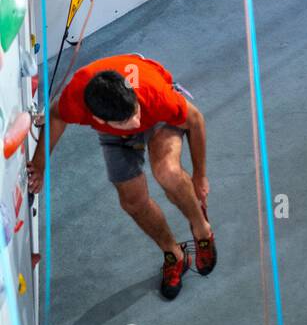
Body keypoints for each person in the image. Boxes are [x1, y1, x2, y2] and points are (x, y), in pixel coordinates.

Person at [27, 53, 215, 300]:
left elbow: (195, 120)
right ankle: (174, 253)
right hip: (116, 134)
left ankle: (202, 230)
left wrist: (200, 175)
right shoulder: (77, 99)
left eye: (134, 112)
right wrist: (39, 165)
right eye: (130, 120)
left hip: (156, 115)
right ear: (97, 120)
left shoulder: (155, 95)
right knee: (132, 202)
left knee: (167, 171)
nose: (137, 121)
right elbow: (56, 116)